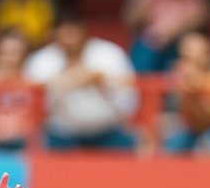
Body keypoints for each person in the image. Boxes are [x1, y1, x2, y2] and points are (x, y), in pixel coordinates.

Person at [23, 13, 138, 150]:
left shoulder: (110, 55)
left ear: (84, 33)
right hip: (61, 136)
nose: (70, 41)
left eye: (74, 34)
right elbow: (33, 107)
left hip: (109, 133)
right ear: (54, 35)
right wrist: (66, 82)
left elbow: (130, 100)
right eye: (64, 36)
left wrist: (102, 81)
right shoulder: (41, 61)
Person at [125, 0, 210, 73]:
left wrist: (172, 31)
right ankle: (142, 86)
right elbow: (131, 19)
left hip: (181, 41)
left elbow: (200, 18)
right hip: (152, 41)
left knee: (187, 48)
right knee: (145, 47)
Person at [164, 30, 210, 154]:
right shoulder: (175, 77)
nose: (191, 63)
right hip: (186, 131)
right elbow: (173, 113)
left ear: (208, 56)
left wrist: (194, 91)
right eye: (186, 57)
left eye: (196, 57)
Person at [0, 30, 37, 151]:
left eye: (14, 53)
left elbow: (37, 122)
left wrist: (18, 127)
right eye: (3, 53)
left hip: (25, 147)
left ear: (24, 55)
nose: (8, 58)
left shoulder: (33, 85)